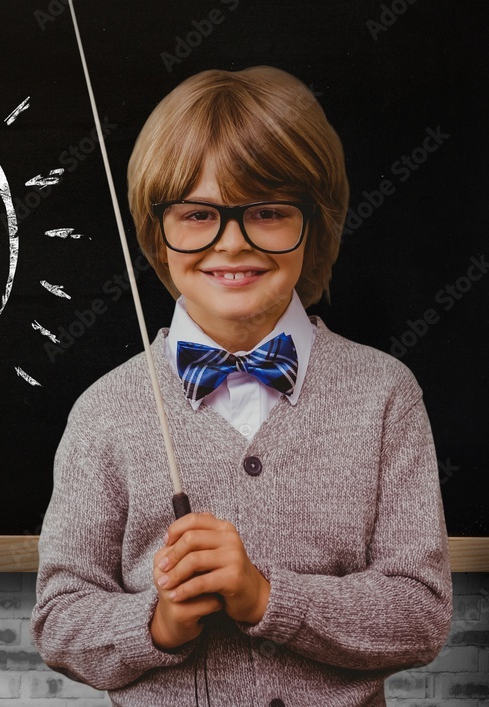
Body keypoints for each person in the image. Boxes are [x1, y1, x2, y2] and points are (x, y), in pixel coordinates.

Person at [30, 66, 452, 706]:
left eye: (269, 212)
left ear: (314, 229)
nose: (232, 244)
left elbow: (420, 615)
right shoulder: (105, 413)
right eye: (198, 215)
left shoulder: (384, 394)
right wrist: (158, 623)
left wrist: (266, 596)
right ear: (156, 234)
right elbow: (60, 619)